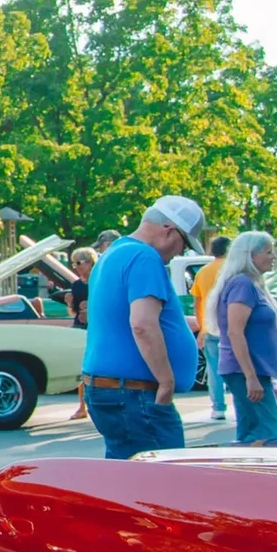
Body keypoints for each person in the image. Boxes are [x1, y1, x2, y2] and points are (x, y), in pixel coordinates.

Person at [81, 196, 203, 460]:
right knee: (164, 485)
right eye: (184, 243)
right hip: (135, 393)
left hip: (111, 389)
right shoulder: (144, 256)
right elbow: (142, 324)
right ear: (169, 229)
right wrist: (166, 381)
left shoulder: (113, 253)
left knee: (127, 481)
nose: (181, 252)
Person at [211, 231, 277, 445]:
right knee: (268, 430)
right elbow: (235, 331)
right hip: (245, 371)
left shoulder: (250, 284)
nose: (274, 257)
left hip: (250, 371)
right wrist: (250, 376)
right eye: (268, 252)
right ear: (250, 255)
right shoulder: (242, 284)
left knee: (251, 428)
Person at [189, 236, 231, 422]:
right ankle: (242, 404)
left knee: (214, 369)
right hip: (232, 326)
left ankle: (218, 408)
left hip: (211, 327)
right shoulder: (233, 271)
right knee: (239, 368)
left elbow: (196, 302)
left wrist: (201, 327)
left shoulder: (203, 272)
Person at [66, 246, 97, 419]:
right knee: (82, 367)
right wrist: (70, 304)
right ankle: (82, 407)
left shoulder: (99, 280)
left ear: (89, 262)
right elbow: (74, 311)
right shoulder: (76, 285)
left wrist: (90, 310)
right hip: (80, 327)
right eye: (73, 263)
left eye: (78, 262)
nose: (75, 267)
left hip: (97, 327)